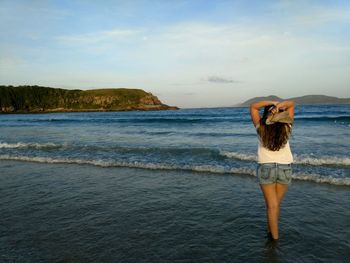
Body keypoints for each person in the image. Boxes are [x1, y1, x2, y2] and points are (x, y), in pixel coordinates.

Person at [250, 100, 295, 241]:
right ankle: (270, 232)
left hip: (266, 168)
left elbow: (253, 107)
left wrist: (271, 103)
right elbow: (292, 104)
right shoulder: (287, 125)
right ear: (281, 112)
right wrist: (278, 105)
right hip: (284, 168)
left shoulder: (261, 127)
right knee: (275, 206)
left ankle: (274, 240)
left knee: (272, 206)